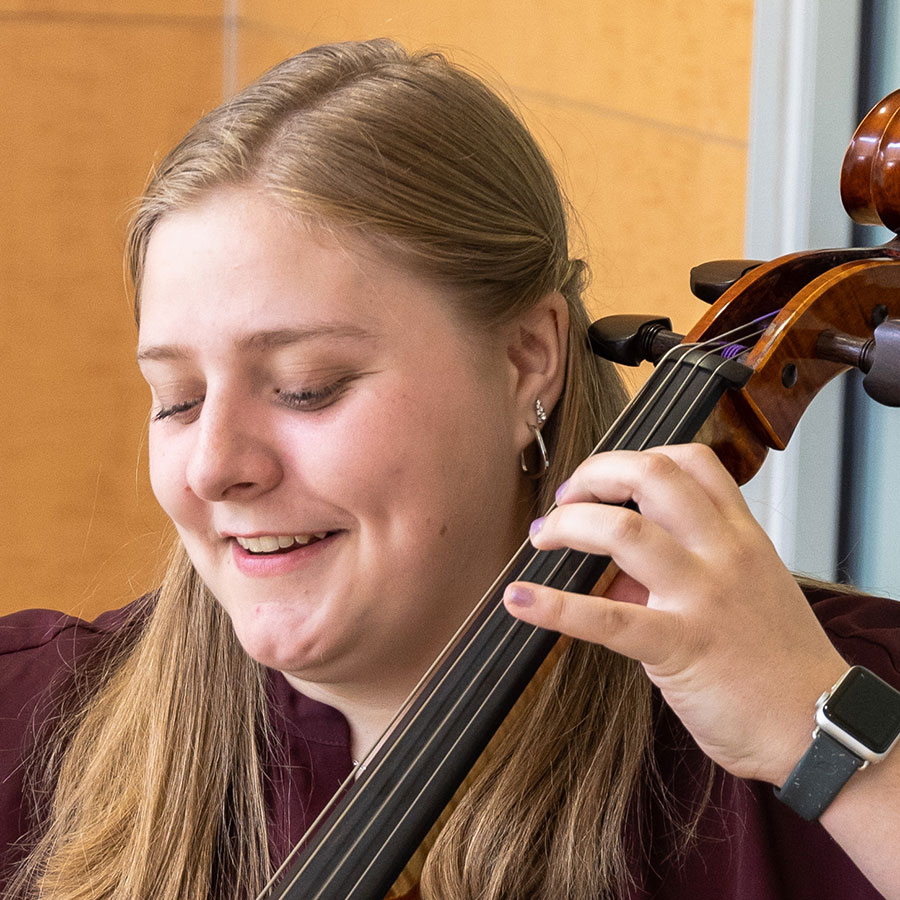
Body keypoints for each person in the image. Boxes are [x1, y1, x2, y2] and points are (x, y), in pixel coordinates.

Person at [2, 38, 899, 900]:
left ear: (524, 360)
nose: (212, 468)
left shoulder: (834, 706)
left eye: (307, 388)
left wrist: (824, 746)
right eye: (176, 399)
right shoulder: (29, 714)